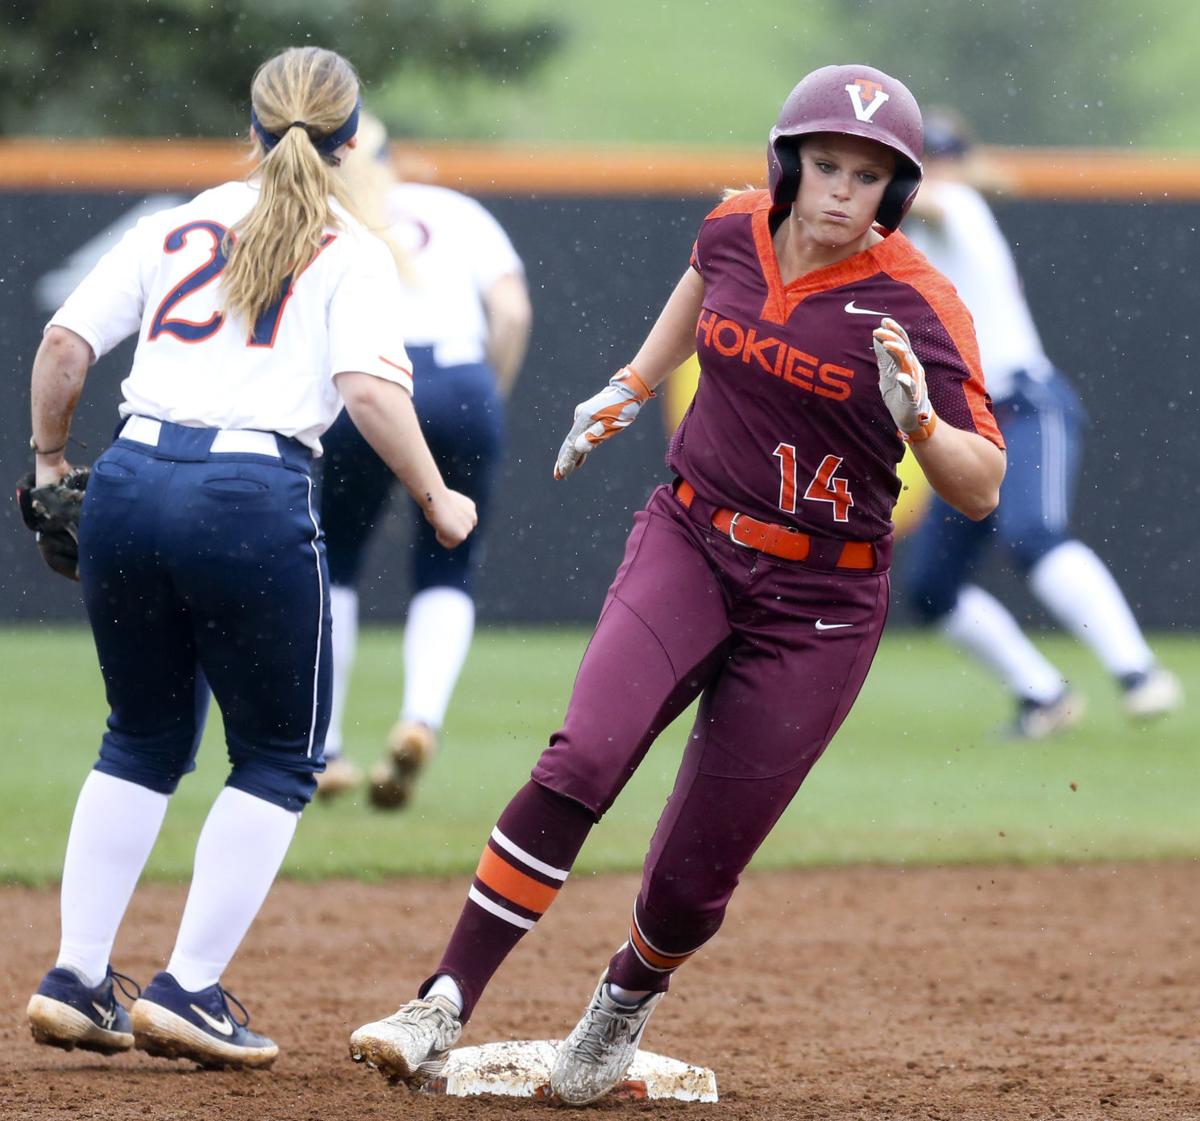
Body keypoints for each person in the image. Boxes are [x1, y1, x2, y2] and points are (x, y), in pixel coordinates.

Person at [347, 64, 1006, 1105]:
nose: (839, 190)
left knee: (694, 876)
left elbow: (979, 487)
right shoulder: (736, 226)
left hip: (821, 605)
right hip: (692, 538)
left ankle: (622, 997)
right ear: (788, 163)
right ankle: (439, 999)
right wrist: (629, 383)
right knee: (582, 757)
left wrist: (921, 419)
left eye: (867, 175)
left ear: (898, 190)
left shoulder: (919, 302)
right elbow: (702, 292)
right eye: (825, 163)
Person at [23, 46, 476, 1070]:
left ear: (255, 129)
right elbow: (367, 392)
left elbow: (63, 348)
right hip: (247, 495)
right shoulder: (351, 247)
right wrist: (437, 494)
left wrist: (53, 460)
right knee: (277, 753)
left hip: (131, 478)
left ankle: (77, 974)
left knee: (139, 732)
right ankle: (186, 987)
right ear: (353, 137)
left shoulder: (174, 223)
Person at [903, 108, 1182, 738]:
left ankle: (1138, 673)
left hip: (1023, 403)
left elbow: (937, 201)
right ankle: (1043, 694)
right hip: (968, 424)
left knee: (1031, 533)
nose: (934, 170)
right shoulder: (904, 238)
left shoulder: (958, 207)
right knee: (931, 588)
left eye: (937, 159)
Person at [315, 113, 532, 808]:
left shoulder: (333, 216)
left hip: (370, 384)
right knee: (448, 562)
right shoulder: (455, 208)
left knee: (337, 560)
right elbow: (513, 314)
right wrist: (485, 395)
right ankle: (421, 716)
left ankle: (326, 747)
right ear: (394, 157)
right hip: (461, 380)